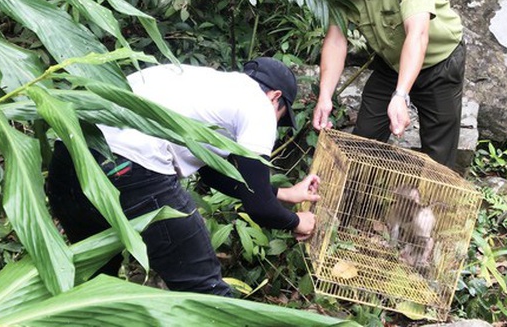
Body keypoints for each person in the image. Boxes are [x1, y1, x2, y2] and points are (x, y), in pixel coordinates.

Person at [46, 57, 320, 297]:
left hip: (68, 160)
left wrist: (284, 194)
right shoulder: (259, 105)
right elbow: (259, 207)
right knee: (205, 292)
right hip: (130, 166)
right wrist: (297, 221)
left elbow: (214, 174)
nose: (276, 122)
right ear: (275, 97)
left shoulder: (206, 85)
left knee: (97, 279)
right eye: (281, 115)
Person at [311, 0, 466, 169]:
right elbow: (336, 39)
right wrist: (325, 97)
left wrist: (401, 95)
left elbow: (417, 33)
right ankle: (358, 201)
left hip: (439, 63)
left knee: (438, 159)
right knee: (364, 142)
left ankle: (430, 207)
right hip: (390, 63)